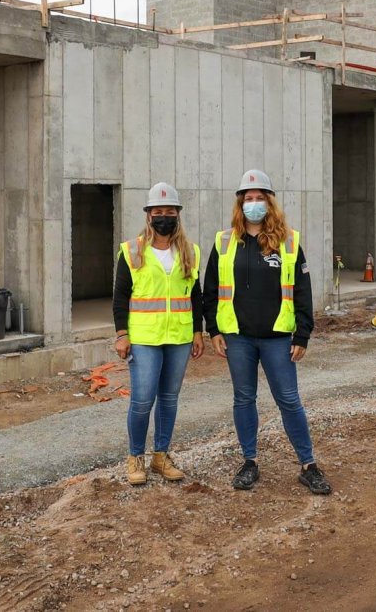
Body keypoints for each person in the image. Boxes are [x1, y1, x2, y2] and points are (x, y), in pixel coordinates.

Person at [203, 169, 332, 495]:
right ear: (240, 203)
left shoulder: (288, 241)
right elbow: (210, 289)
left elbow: (302, 288)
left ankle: (308, 465)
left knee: (289, 400)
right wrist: (214, 330)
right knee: (244, 398)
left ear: (269, 202)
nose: (254, 203)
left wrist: (303, 333)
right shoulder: (224, 241)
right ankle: (249, 462)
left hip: (277, 338)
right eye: (249, 198)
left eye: (260, 198)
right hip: (238, 337)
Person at [113, 182, 204, 486]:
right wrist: (121, 334)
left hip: (178, 337)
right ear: (148, 215)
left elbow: (196, 296)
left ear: (177, 215)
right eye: (158, 211)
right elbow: (120, 296)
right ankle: (135, 457)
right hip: (145, 338)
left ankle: (161, 456)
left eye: (170, 211)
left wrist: (198, 332)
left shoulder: (190, 252)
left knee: (169, 399)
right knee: (142, 400)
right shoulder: (132, 251)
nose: (164, 216)